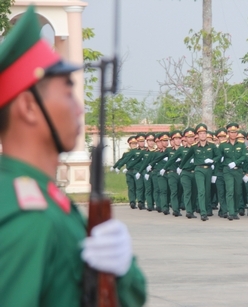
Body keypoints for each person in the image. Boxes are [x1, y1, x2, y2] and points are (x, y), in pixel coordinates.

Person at [0, 7, 146, 306]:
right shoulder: (28, 219)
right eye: (67, 93)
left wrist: (123, 272)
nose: (79, 108)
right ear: (28, 107)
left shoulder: (47, 197)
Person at [179, 124, 221, 221]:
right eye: (200, 133)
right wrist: (181, 167)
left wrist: (213, 160)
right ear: (197, 135)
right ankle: (203, 213)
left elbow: (218, 155)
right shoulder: (194, 147)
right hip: (199, 169)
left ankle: (205, 209)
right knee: (201, 191)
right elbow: (186, 157)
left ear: (206, 134)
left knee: (207, 192)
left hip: (208, 170)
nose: (202, 135)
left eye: (204, 133)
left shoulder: (212, 145)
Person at [220, 123, 247, 221]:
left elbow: (244, 156)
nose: (233, 134)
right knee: (230, 191)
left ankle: (235, 210)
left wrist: (236, 162)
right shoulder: (223, 145)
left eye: (235, 132)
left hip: (238, 170)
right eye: (231, 132)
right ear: (228, 133)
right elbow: (219, 156)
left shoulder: (241, 144)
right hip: (227, 170)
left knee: (237, 191)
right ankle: (230, 212)